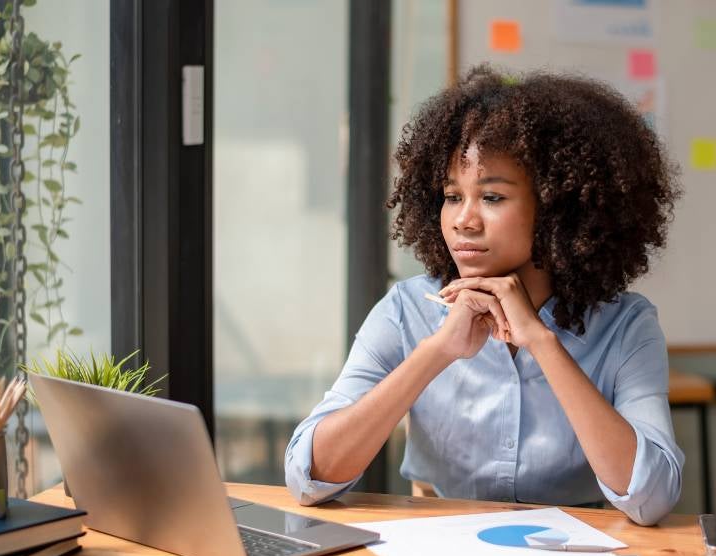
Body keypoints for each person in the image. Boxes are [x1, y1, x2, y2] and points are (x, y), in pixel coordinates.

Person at [285, 65, 684, 526]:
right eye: (452, 196)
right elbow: (307, 476)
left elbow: (652, 496)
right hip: (436, 545)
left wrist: (541, 341)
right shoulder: (405, 311)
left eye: (492, 198)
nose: (463, 221)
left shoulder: (626, 325)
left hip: (581, 549)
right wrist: (437, 351)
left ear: (558, 209)